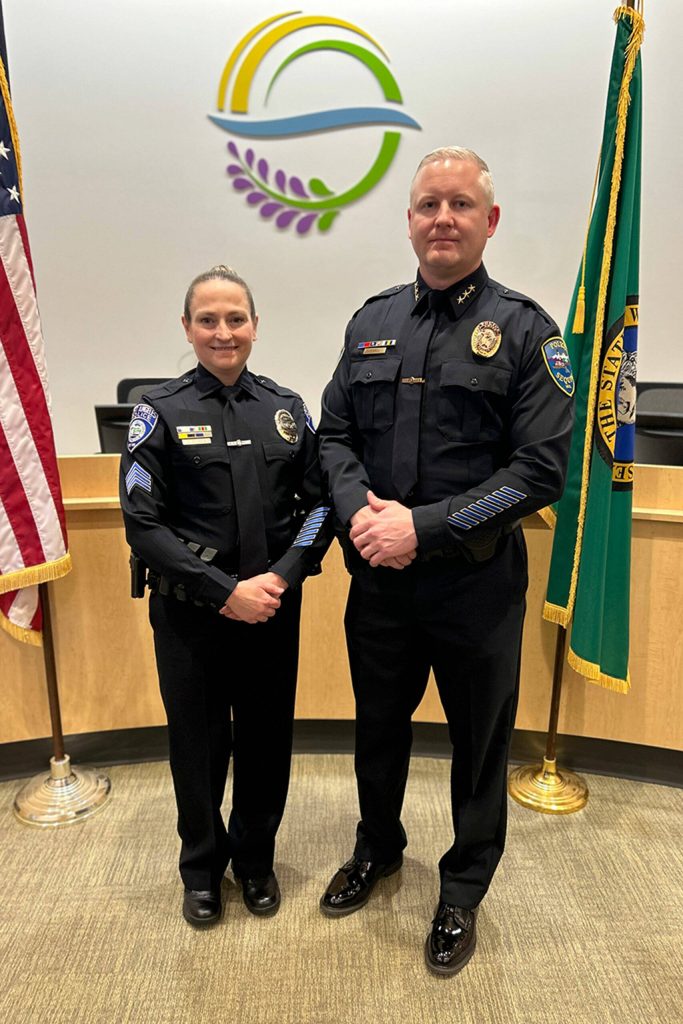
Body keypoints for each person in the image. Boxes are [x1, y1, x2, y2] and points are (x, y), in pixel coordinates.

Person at [317, 148, 575, 975]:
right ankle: (377, 849)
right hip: (381, 585)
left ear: (487, 221)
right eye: (427, 204)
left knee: (478, 745)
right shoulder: (370, 320)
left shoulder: (529, 331)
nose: (442, 219)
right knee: (377, 732)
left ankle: (461, 890)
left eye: (459, 204)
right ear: (409, 219)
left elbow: (538, 473)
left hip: (475, 587)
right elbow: (334, 437)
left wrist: (420, 528)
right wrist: (360, 513)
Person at [120, 266, 331, 927]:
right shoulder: (158, 411)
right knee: (199, 745)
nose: (223, 331)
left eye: (235, 318)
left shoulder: (287, 410)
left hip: (270, 606)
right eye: (207, 320)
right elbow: (142, 524)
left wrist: (284, 576)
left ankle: (256, 862)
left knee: (267, 742)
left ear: (255, 326)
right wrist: (220, 591)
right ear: (186, 328)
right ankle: (202, 869)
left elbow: (322, 505)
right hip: (190, 613)